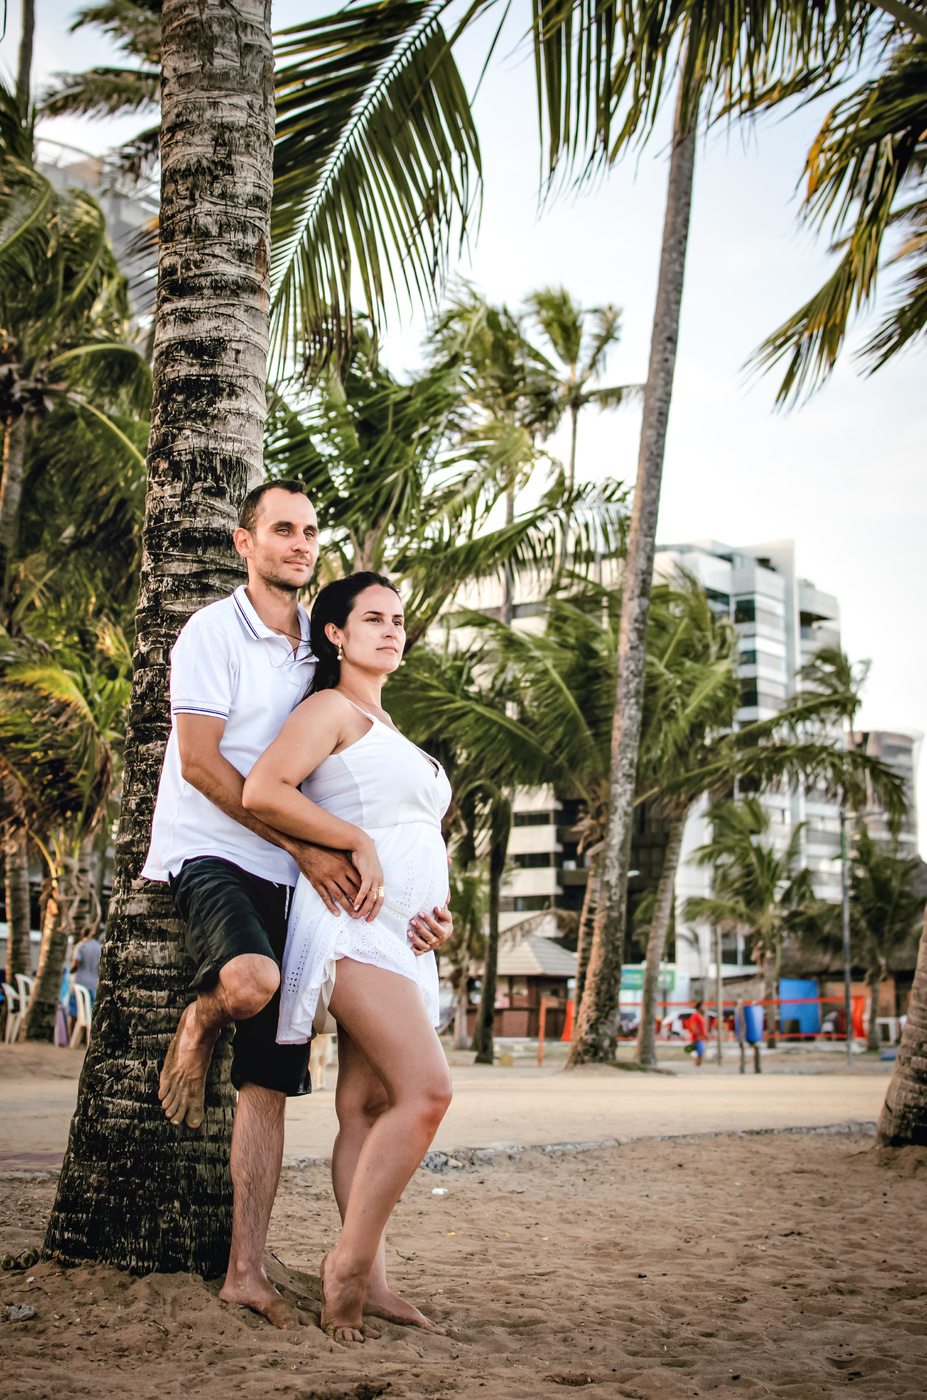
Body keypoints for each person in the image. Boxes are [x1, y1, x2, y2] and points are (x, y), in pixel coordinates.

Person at [141, 481, 453, 1330]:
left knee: (278, 1085)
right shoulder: (215, 631)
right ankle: (201, 1019)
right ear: (244, 542)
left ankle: (249, 1272)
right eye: (283, 529)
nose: (300, 543)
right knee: (249, 983)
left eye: (310, 531)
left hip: (311, 888)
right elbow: (205, 765)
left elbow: (358, 792)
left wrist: (419, 906)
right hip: (221, 852)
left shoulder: (314, 654)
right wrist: (318, 847)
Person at [243, 572, 454, 1343]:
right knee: (427, 1093)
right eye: (373, 618)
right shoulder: (329, 709)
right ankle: (349, 1266)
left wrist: (439, 918)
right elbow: (264, 789)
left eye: (398, 619)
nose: (392, 630)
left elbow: (417, 838)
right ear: (334, 633)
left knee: (366, 1107)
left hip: (406, 935)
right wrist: (353, 840)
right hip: (353, 922)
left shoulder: (389, 725)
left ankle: (378, 1282)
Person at [68, 930, 102, 1037]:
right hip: (94, 984)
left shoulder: (81, 946)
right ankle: (86, 1038)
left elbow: (75, 965)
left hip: (80, 983)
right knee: (90, 1014)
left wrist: (70, 971)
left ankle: (72, 1038)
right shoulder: (99, 947)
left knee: (74, 1012)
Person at [687, 1001, 707, 1067]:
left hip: (702, 1037)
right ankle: (696, 1065)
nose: (704, 1007)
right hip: (697, 1038)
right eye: (702, 1006)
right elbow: (693, 1025)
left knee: (701, 1053)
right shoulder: (695, 1015)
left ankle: (699, 1066)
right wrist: (698, 1034)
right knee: (698, 1053)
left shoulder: (700, 1015)